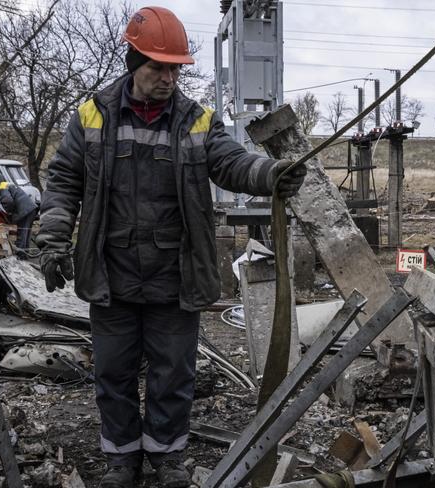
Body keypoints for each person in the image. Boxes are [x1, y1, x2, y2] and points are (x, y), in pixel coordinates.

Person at [35, 6, 307, 487]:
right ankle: (121, 459)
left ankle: (166, 456)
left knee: (172, 375)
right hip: (111, 272)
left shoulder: (197, 120)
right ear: (132, 62)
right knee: (114, 375)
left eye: (174, 68)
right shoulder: (91, 116)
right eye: (157, 67)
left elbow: (230, 163)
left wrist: (271, 175)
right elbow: (63, 181)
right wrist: (54, 239)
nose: (167, 77)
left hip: (174, 274)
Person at [0, 180, 38, 258]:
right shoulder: (4, 184)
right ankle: (25, 253)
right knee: (26, 232)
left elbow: (8, 201)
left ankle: (21, 255)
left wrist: (10, 212)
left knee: (22, 233)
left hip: (24, 211)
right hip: (30, 209)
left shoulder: (1, 188)